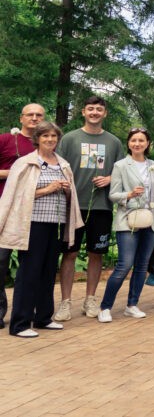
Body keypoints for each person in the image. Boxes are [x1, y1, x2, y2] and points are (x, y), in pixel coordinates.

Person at [0, 121, 82, 337]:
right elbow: (19, 195)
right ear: (37, 139)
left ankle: (43, 318)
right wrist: (48, 189)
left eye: (53, 137)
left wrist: (65, 190)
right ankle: (20, 324)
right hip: (32, 224)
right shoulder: (25, 162)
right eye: (45, 136)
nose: (50, 140)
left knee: (48, 271)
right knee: (29, 272)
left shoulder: (62, 163)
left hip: (56, 224)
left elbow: (69, 197)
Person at [55, 96, 125, 322]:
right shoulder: (69, 139)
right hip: (73, 205)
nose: (94, 112)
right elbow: (59, 167)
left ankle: (90, 299)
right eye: (90, 109)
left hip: (101, 206)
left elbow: (124, 172)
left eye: (99, 109)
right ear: (83, 112)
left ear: (105, 114)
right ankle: (65, 302)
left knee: (96, 254)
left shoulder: (113, 142)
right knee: (70, 253)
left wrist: (110, 179)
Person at [97, 128, 154, 323]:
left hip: (150, 220)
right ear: (128, 143)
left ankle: (132, 305)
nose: (137, 144)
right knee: (124, 265)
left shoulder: (153, 165)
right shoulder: (120, 166)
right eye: (133, 140)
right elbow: (113, 194)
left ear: (147, 143)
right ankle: (105, 307)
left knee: (142, 265)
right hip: (128, 220)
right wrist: (130, 195)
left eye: (141, 140)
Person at [0, 102, 45, 329]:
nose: (35, 118)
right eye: (30, 115)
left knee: (31, 265)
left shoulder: (46, 144)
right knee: (0, 260)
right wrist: (12, 172)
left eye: (39, 115)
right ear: (21, 118)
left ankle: (29, 311)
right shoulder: (6, 140)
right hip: (5, 208)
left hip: (34, 211)